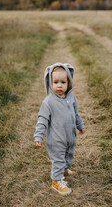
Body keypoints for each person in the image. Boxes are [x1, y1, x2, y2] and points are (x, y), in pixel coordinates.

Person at [34, 63, 85, 195]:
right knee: (58, 159)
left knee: (69, 154)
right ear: (50, 83)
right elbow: (42, 120)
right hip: (56, 139)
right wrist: (38, 136)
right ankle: (56, 181)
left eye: (63, 82)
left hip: (70, 137)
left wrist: (80, 125)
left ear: (69, 83)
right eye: (56, 82)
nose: (59, 85)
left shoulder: (72, 98)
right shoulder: (48, 102)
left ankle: (64, 169)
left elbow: (76, 114)